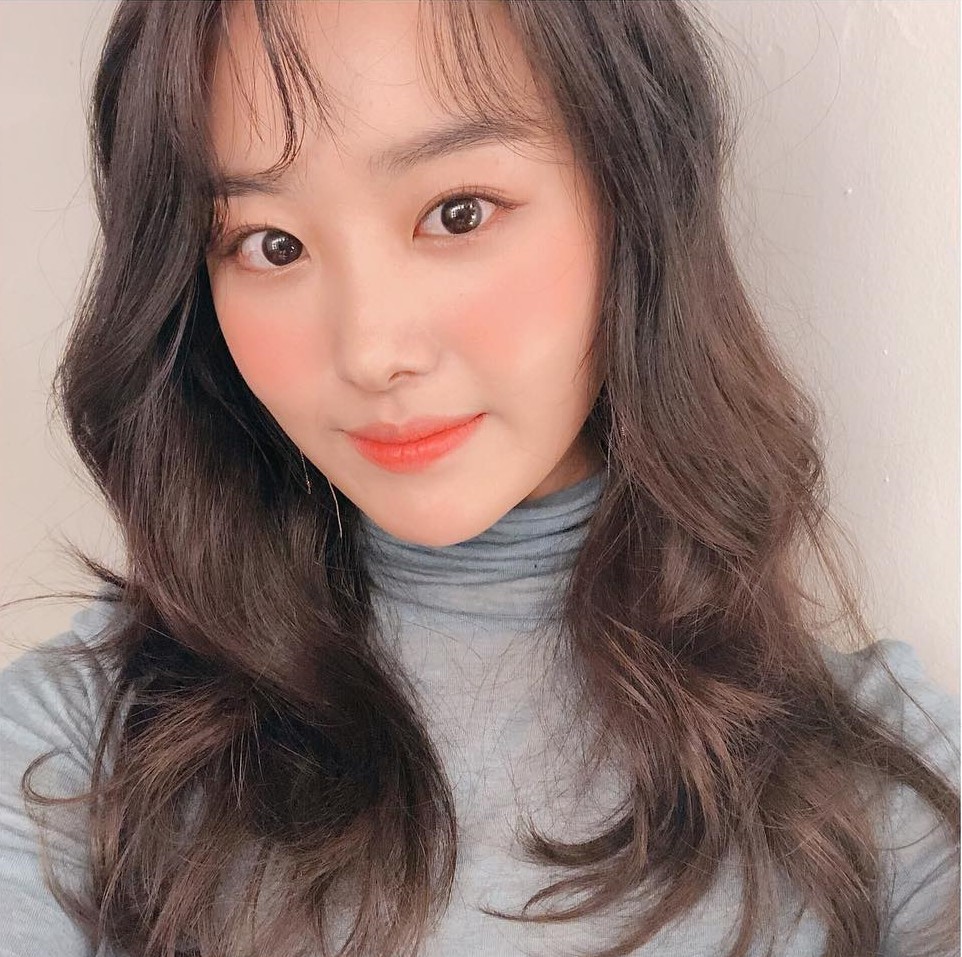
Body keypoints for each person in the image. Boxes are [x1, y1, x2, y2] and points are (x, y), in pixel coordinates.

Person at [0, 2, 958, 956]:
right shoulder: (68, 756)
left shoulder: (890, 800)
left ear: (635, 193)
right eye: (270, 244)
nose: (371, 350)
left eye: (457, 213)